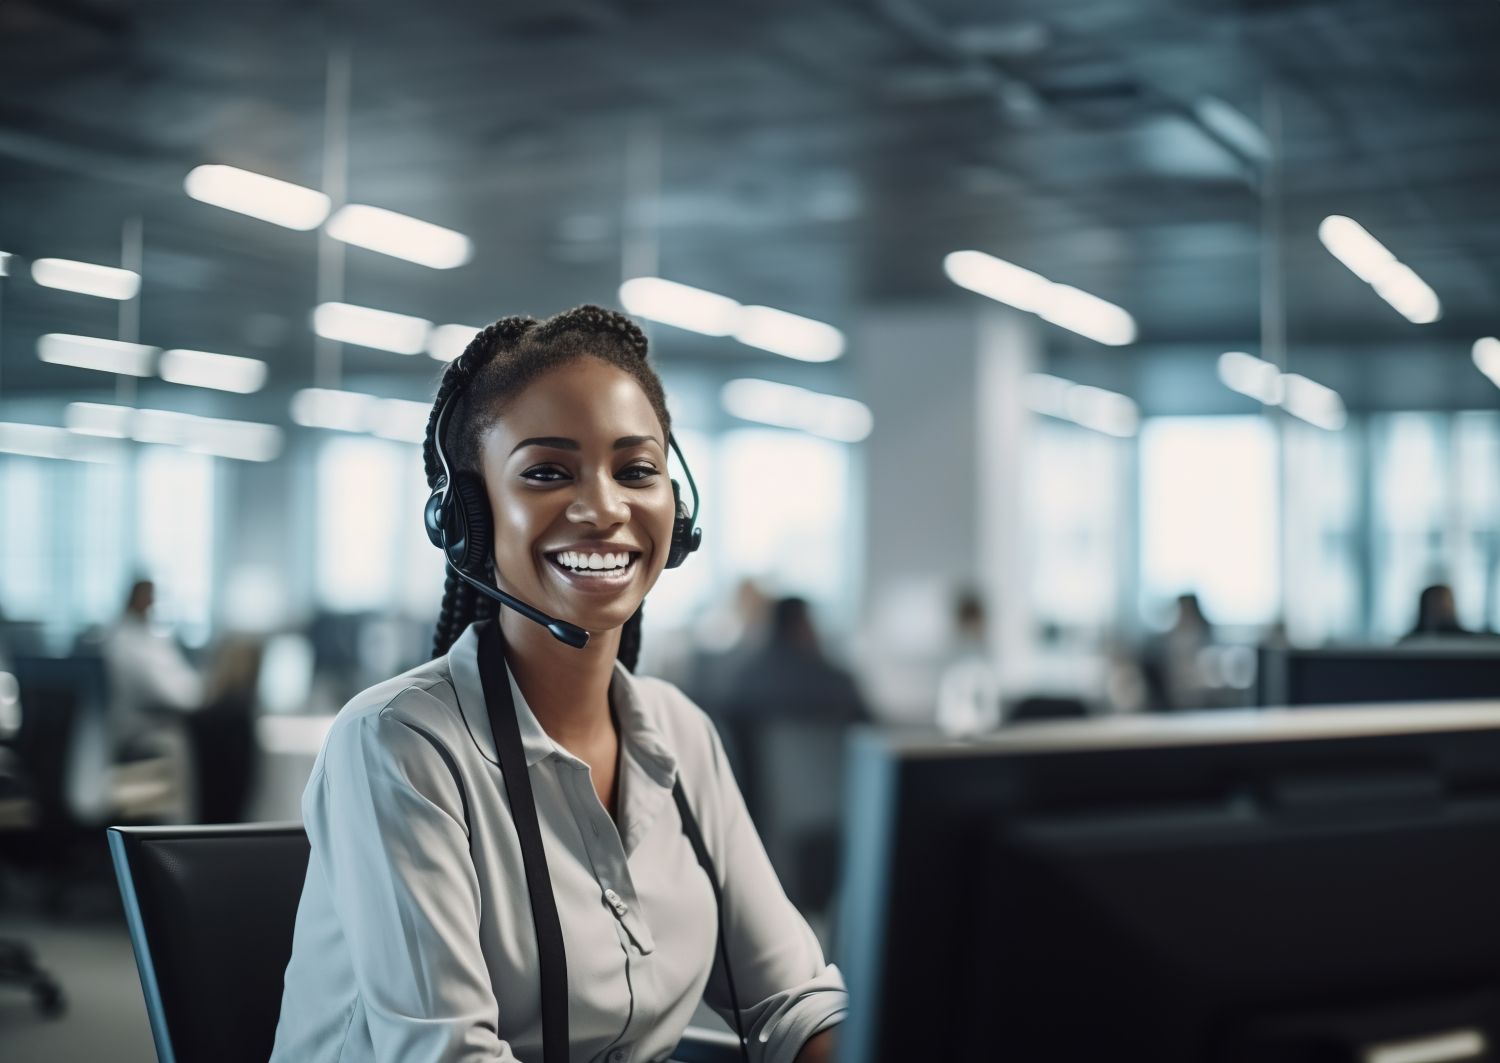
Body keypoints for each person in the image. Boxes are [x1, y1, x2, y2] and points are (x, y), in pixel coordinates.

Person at [271, 307, 845, 1063]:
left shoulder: (680, 732)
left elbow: (792, 1000)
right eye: (547, 472)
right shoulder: (399, 744)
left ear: (680, 510)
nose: (604, 508)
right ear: (467, 519)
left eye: (636, 470)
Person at [99, 579, 205, 821]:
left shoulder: (151, 636)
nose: (152, 603)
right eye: (148, 597)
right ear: (136, 598)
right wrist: (197, 696)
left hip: (159, 722)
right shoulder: (124, 639)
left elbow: (182, 681)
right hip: (141, 728)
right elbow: (165, 690)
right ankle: (168, 837)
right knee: (172, 749)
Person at [1403, 582, 1474, 640]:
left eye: (1444, 603)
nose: (1439, 607)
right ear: (1424, 605)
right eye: (1434, 602)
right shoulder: (1409, 641)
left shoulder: (1470, 641)